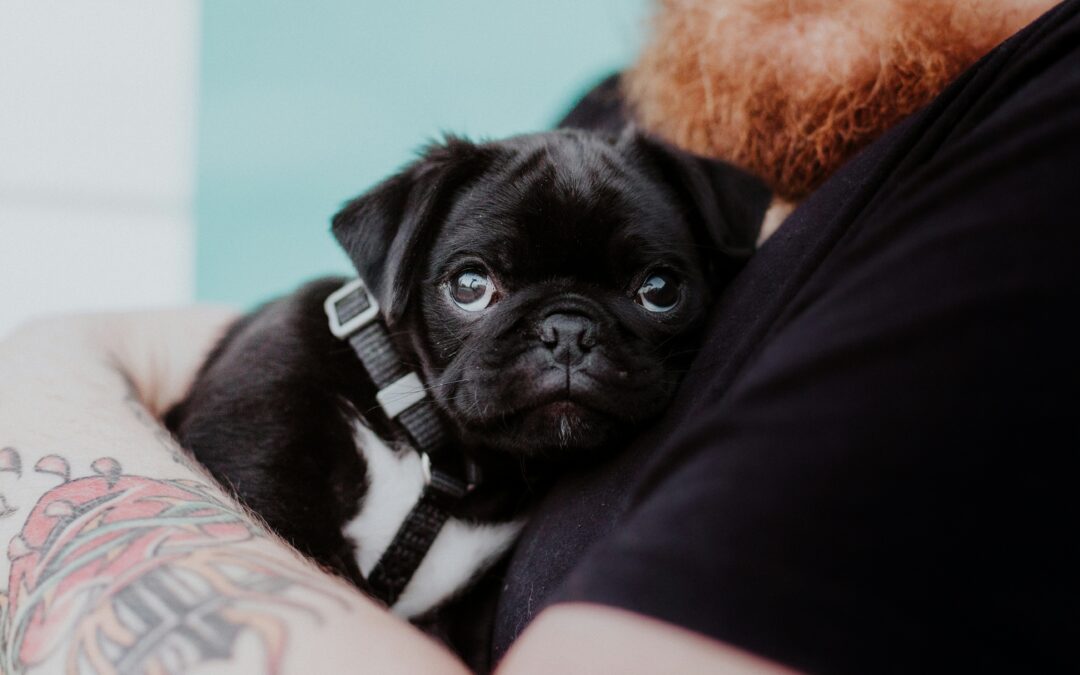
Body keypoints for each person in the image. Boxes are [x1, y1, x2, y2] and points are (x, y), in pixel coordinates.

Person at [1, 0, 1075, 672]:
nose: (564, 343)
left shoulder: (1038, 144)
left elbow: (125, 358)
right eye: (479, 286)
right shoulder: (638, 112)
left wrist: (47, 387)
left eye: (656, 294)